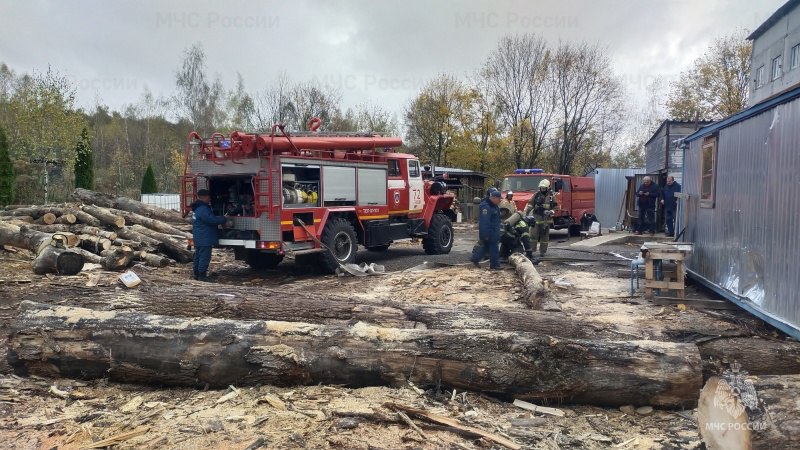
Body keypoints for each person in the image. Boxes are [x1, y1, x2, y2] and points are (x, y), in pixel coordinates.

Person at [191, 189, 228, 282]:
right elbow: (212, 220)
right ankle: (202, 276)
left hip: (199, 237)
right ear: (205, 197)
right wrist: (224, 218)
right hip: (205, 238)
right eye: (209, 197)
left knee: (198, 256)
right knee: (204, 256)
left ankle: (196, 274)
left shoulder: (197, 208)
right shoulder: (203, 209)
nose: (210, 198)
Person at [524, 179, 558, 258]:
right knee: (533, 235)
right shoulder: (536, 195)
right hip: (536, 218)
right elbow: (530, 204)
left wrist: (551, 212)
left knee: (544, 237)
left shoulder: (551, 196)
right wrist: (526, 213)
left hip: (546, 219)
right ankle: (531, 251)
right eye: (541, 188)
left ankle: (542, 252)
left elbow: (556, 207)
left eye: (544, 188)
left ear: (547, 188)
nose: (542, 189)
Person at [471, 188, 502, 270]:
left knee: (486, 247)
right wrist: (485, 235)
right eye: (499, 199)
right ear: (494, 198)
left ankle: (475, 258)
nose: (500, 201)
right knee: (494, 248)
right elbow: (484, 222)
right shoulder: (486, 207)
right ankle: (495, 265)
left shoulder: (494, 206)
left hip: (494, 232)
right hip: (490, 232)